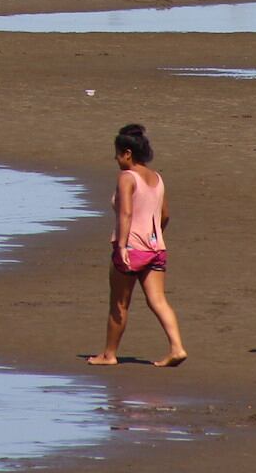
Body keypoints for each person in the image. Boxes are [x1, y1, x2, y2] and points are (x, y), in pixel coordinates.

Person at [88, 123, 187, 367]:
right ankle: (177, 347)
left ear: (128, 153)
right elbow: (164, 215)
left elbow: (126, 214)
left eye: (117, 153)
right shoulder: (157, 178)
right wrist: (154, 238)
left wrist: (122, 246)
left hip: (131, 248)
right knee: (158, 300)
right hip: (155, 248)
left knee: (120, 304)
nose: (115, 158)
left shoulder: (126, 177)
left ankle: (109, 355)